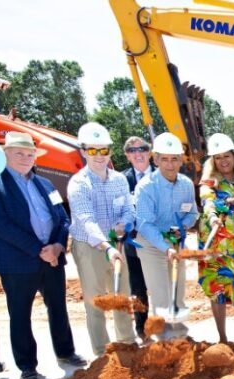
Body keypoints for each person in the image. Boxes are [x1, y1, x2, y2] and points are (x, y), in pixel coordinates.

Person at [0, 132, 86, 379]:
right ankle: (27, 365)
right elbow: (1, 225)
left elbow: (62, 218)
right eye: (19, 153)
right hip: (18, 262)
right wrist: (40, 250)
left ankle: (66, 352)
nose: (25, 158)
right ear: (5, 154)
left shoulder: (46, 184)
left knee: (58, 308)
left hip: (52, 257)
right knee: (20, 313)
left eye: (30, 154)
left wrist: (58, 246)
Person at [68, 122, 137, 357]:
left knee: (122, 296)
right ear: (83, 151)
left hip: (116, 244)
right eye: (93, 150)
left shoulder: (119, 180)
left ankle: (127, 344)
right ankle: (102, 352)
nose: (99, 156)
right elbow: (86, 220)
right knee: (96, 300)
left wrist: (124, 225)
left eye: (104, 150)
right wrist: (107, 247)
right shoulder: (79, 183)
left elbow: (129, 209)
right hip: (90, 247)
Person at [134, 132, 199, 330]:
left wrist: (183, 227)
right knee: (161, 294)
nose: (170, 165)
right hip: (151, 243)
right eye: (164, 159)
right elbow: (145, 224)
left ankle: (179, 337)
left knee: (177, 292)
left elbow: (192, 213)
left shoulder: (186, 184)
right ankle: (162, 342)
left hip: (176, 241)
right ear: (156, 160)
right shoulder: (146, 187)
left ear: (181, 160)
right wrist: (165, 247)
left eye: (174, 159)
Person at [198, 133, 234, 343]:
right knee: (218, 290)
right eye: (218, 157)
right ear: (213, 160)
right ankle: (222, 337)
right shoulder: (209, 182)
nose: (223, 161)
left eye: (227, 156)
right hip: (218, 246)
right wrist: (213, 217)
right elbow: (207, 201)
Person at [121, 136, 154, 340]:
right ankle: (142, 329)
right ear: (127, 156)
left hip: (159, 243)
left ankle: (165, 327)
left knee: (162, 286)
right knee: (138, 288)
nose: (138, 153)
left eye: (142, 149)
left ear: (149, 152)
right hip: (133, 244)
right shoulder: (122, 180)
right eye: (132, 150)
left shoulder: (162, 176)